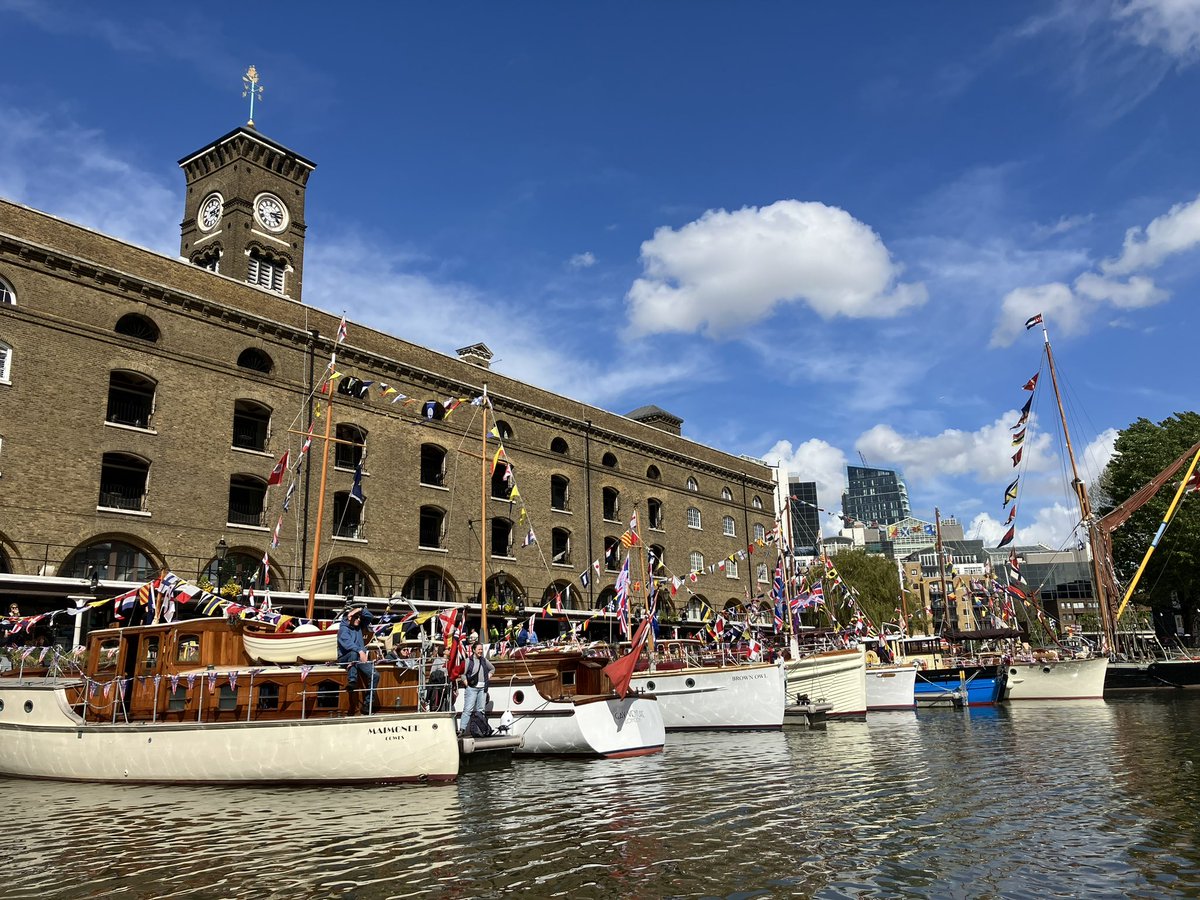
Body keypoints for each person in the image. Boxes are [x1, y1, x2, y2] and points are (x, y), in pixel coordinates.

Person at [337, 605, 380, 714]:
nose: (359, 619)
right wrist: (361, 651)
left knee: (375, 675)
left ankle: (367, 704)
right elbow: (347, 644)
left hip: (358, 659)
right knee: (353, 652)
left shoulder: (359, 626)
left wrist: (360, 610)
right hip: (345, 658)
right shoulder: (343, 628)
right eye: (356, 617)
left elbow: (370, 617)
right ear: (349, 618)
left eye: (360, 617)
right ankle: (352, 681)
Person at [457, 640, 495, 735]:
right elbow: (462, 673)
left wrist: (488, 676)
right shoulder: (468, 661)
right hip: (472, 688)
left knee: (481, 710)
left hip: (483, 688)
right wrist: (466, 682)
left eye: (481, 649)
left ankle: (480, 730)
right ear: (474, 650)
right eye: (479, 649)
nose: (480, 651)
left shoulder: (484, 660)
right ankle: (462, 729)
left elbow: (492, 669)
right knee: (468, 709)